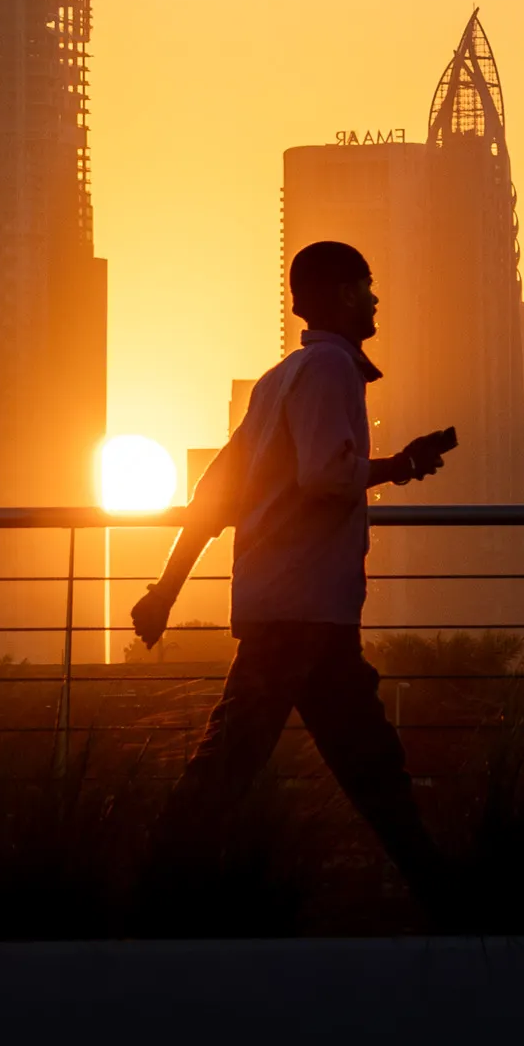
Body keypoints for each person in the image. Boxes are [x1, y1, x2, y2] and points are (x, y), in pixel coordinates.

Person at [131, 238, 457, 900]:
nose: (375, 298)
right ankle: (148, 900)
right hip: (303, 613)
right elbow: (326, 477)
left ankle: (445, 894)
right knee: (255, 766)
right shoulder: (332, 371)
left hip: (290, 610)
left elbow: (213, 495)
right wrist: (400, 466)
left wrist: (166, 590)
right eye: (366, 285)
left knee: (354, 764)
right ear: (340, 294)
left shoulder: (277, 380)